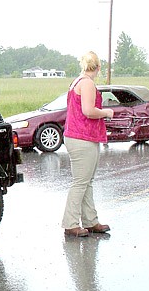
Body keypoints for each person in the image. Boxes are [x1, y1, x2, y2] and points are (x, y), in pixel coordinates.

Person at [62, 51, 114, 237]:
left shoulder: (76, 81)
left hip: (76, 136)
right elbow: (89, 111)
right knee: (81, 182)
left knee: (86, 181)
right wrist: (106, 112)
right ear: (98, 67)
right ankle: (70, 223)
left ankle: (91, 221)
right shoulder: (88, 83)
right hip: (83, 137)